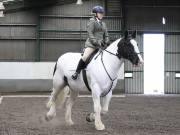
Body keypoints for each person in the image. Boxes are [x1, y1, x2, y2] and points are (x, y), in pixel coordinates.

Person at [71, 5, 110, 80]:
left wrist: (107, 41)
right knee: (85, 57)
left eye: (102, 13)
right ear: (95, 14)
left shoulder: (104, 24)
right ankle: (77, 72)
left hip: (101, 46)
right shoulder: (91, 22)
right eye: (100, 13)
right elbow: (90, 34)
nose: (102, 14)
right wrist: (97, 42)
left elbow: (106, 35)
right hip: (92, 45)